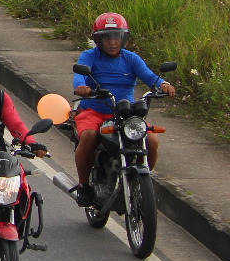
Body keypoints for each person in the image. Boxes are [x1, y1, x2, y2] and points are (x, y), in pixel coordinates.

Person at [72, 12, 173, 207]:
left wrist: (164, 84)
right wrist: (81, 88)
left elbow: (150, 77)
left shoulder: (131, 59)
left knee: (151, 139)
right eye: (107, 37)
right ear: (98, 39)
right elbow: (79, 76)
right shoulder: (89, 56)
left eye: (116, 37)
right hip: (93, 111)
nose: (112, 42)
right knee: (89, 136)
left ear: (124, 38)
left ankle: (142, 184)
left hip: (125, 114)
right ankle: (84, 185)